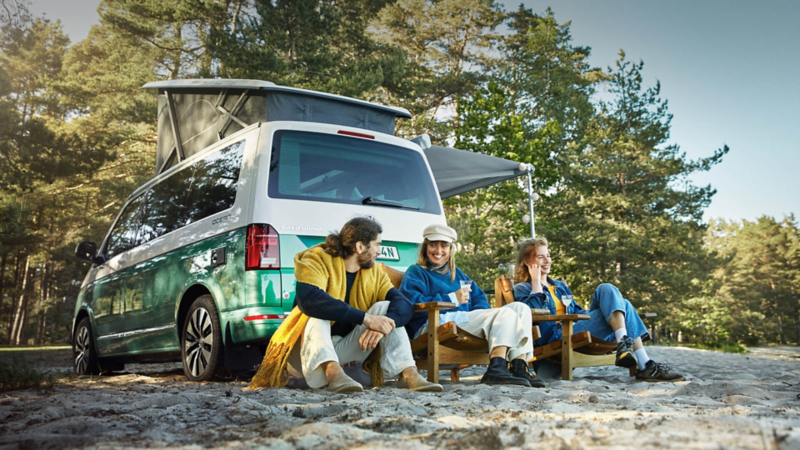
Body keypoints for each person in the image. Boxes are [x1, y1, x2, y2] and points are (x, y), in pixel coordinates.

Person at [248, 217, 442, 393]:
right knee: (315, 312)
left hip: (343, 352)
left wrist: (382, 326)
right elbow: (309, 300)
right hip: (305, 354)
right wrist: (366, 319)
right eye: (377, 245)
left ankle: (408, 374)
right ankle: (332, 373)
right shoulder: (316, 259)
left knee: (385, 309)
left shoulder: (373, 272)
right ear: (359, 246)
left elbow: (403, 304)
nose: (379, 251)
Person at [512, 237, 685, 382]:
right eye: (540, 257)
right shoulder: (523, 288)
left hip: (576, 325)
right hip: (558, 334)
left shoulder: (558, 285)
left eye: (548, 256)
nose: (548, 260)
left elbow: (576, 310)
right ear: (528, 262)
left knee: (606, 288)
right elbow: (537, 319)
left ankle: (624, 343)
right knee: (624, 304)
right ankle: (644, 364)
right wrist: (536, 283)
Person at [400, 223, 545, 388]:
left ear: (451, 249)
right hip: (433, 324)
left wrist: (483, 317)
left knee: (520, 308)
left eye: (444, 245)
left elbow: (479, 297)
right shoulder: (417, 271)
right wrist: (451, 298)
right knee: (505, 315)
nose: (438, 250)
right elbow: (410, 302)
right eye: (433, 245)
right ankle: (496, 369)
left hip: (463, 322)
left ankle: (519, 365)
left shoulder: (457, 273)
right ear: (425, 247)